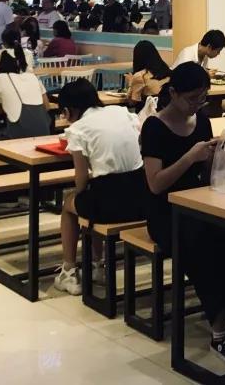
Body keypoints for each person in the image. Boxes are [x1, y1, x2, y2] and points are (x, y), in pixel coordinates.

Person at [141, 63, 225, 369]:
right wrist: (189, 157)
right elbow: (155, 184)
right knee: (203, 249)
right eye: (192, 98)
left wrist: (219, 157)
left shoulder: (202, 121)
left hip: (200, 205)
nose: (197, 104)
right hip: (166, 213)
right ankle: (219, 333)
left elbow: (206, 177)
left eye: (202, 98)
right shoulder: (154, 127)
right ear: (173, 93)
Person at [53, 79, 147, 295]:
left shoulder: (77, 129)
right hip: (141, 197)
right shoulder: (122, 113)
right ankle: (98, 265)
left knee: (71, 204)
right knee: (92, 196)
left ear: (67, 111)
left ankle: (69, 271)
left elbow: (81, 179)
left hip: (109, 204)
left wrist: (78, 195)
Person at [0, 50, 51, 138]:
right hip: (44, 133)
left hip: (19, 136)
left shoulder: (1, 77)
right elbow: (47, 106)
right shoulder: (33, 77)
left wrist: (2, 107)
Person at [128, 39, 172, 109]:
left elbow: (132, 102)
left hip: (150, 112)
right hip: (168, 111)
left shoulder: (140, 76)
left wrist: (130, 83)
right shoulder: (167, 71)